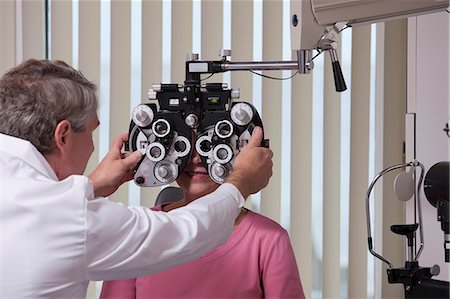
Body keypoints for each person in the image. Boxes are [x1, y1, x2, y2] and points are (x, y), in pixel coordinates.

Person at [0, 59, 273, 298]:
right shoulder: (71, 217)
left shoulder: (35, 197)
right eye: (92, 133)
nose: (94, 149)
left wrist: (91, 186)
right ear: (63, 135)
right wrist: (241, 182)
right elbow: (184, 233)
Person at [100, 150, 305, 299]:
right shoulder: (136, 230)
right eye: (185, 146)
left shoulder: (267, 238)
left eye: (208, 146)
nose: (197, 158)